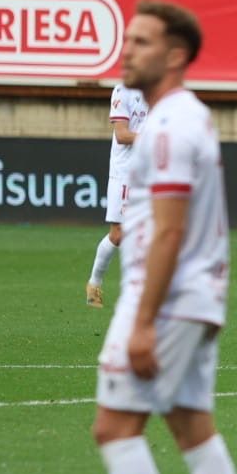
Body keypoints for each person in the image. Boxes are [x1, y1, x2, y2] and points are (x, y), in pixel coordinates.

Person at [80, 1, 237, 474]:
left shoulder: (171, 127)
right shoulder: (187, 118)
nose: (128, 49)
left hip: (168, 299)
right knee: (192, 429)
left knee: (114, 428)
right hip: (196, 299)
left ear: (175, 55)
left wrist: (143, 319)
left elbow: (170, 230)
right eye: (128, 39)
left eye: (142, 42)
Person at [86, 83, 149, 309]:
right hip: (125, 173)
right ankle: (94, 284)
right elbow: (122, 135)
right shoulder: (123, 91)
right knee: (118, 235)